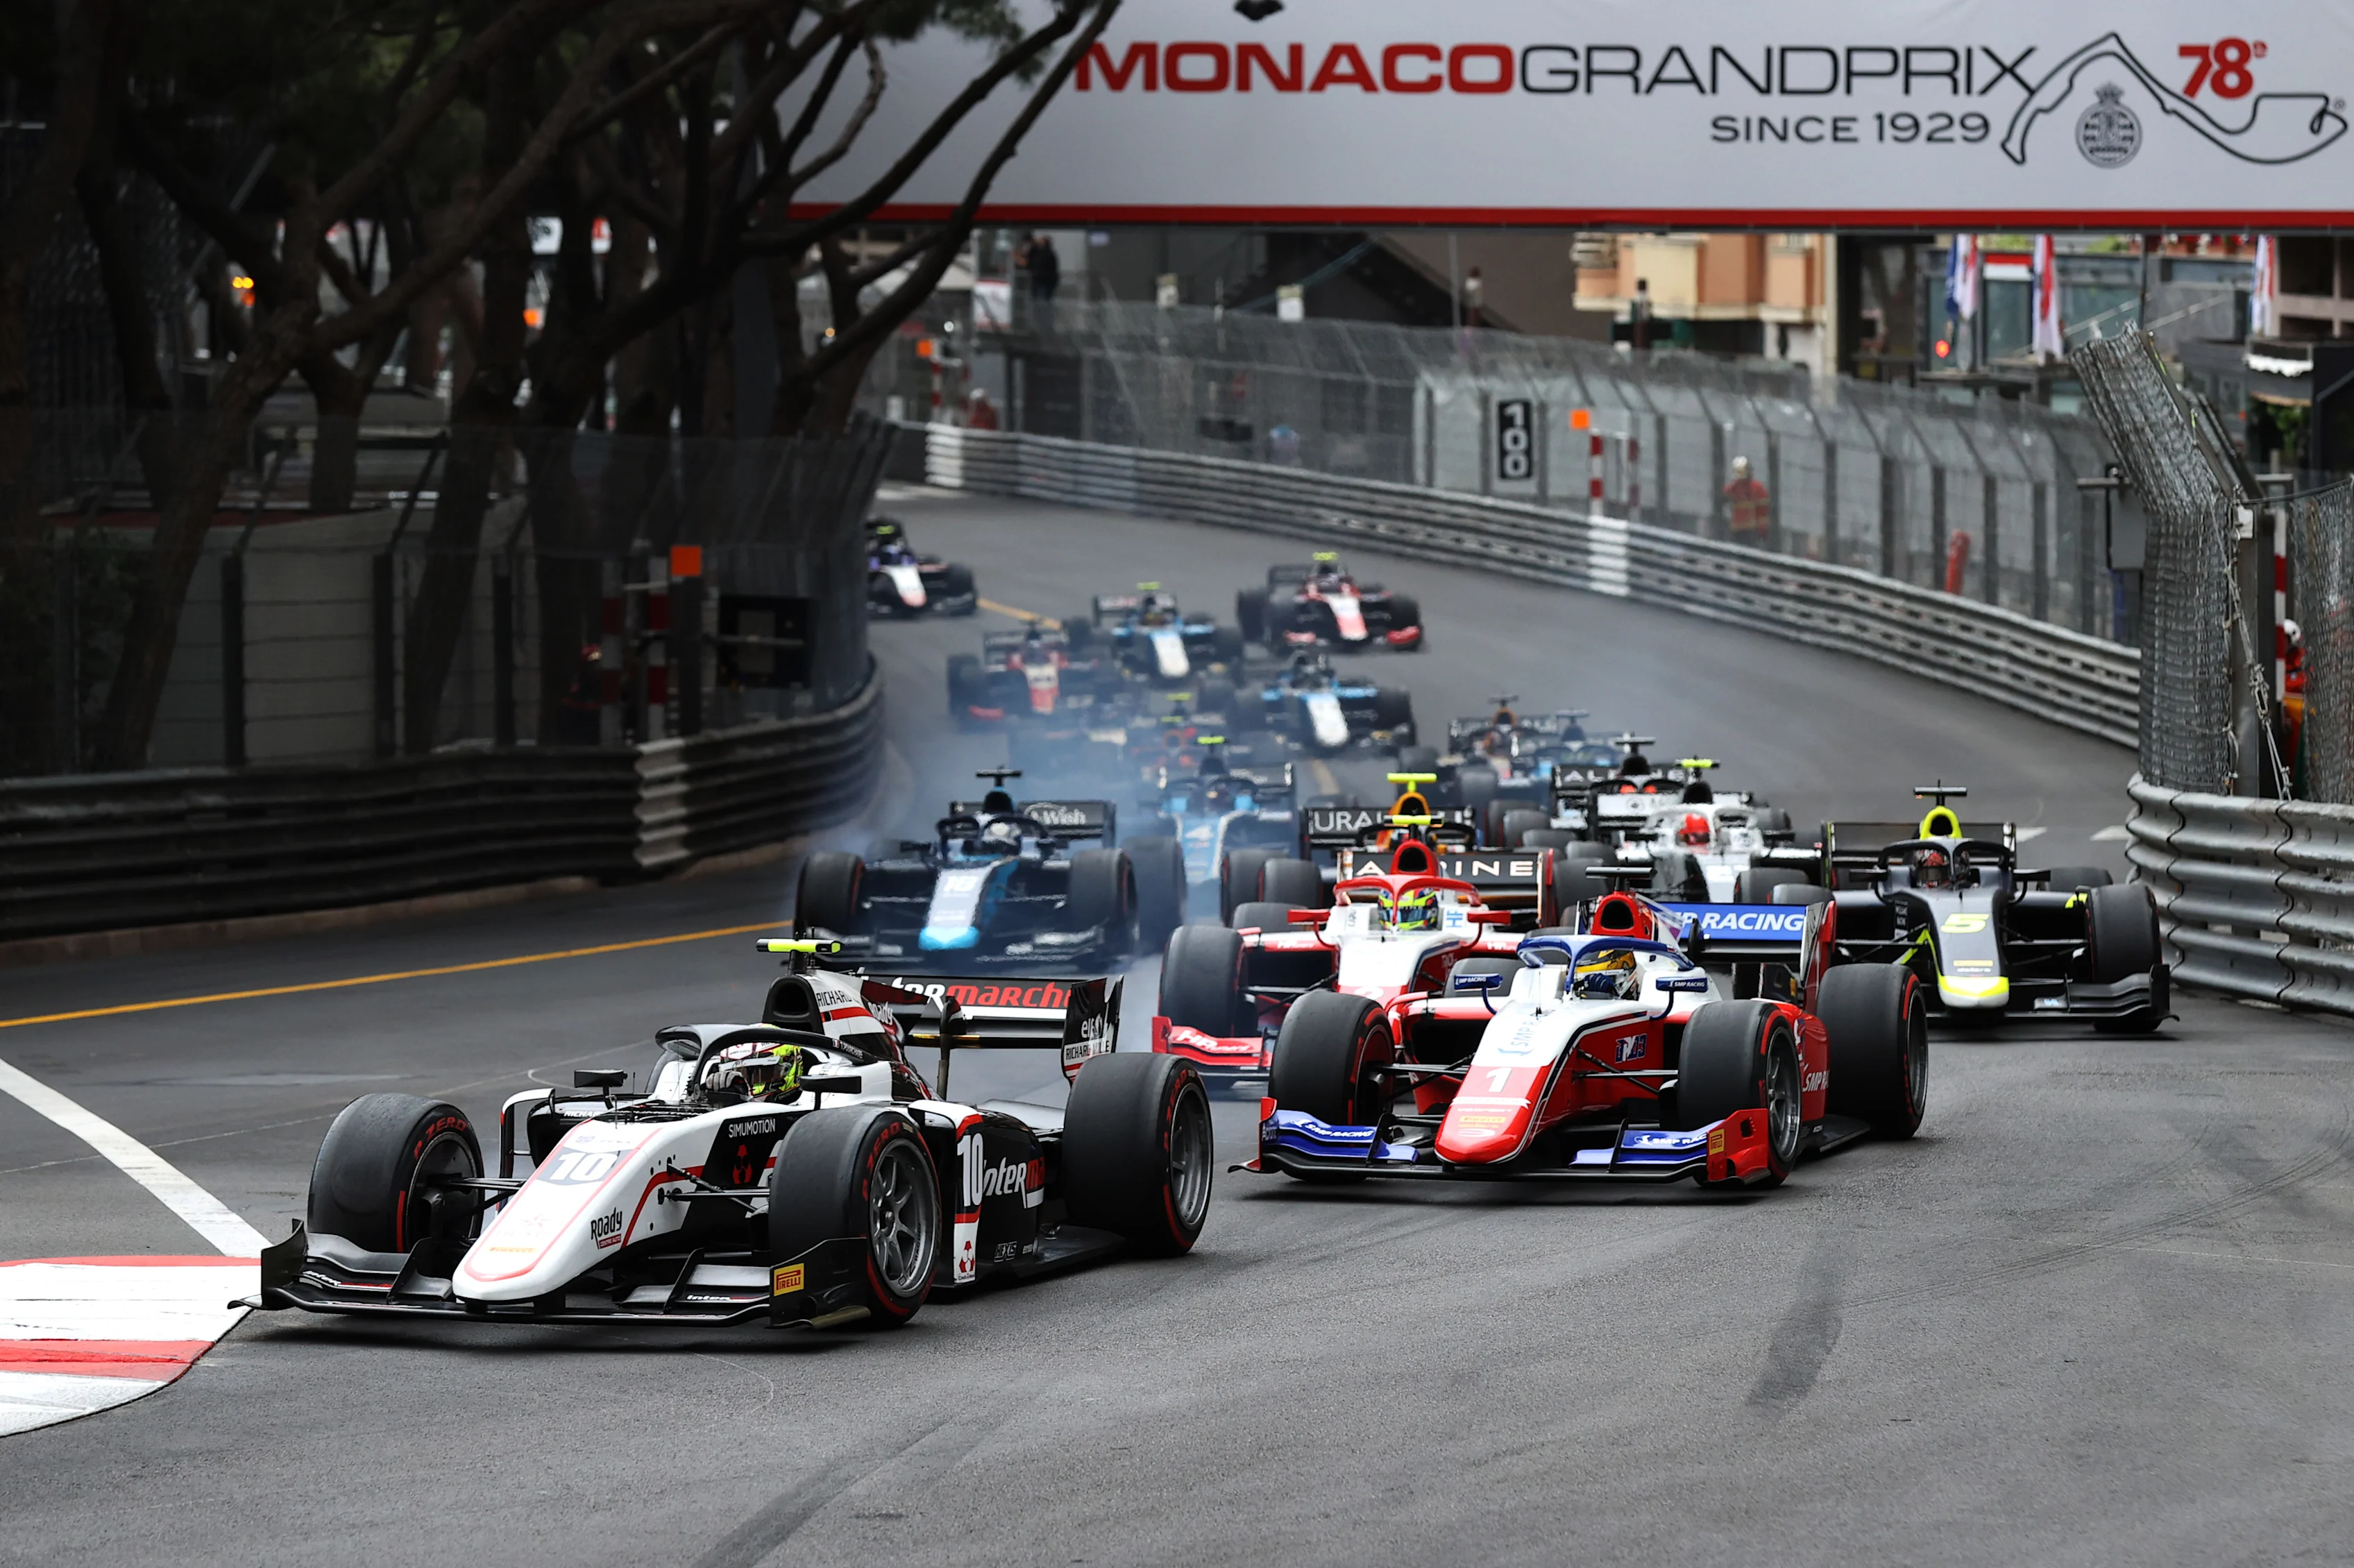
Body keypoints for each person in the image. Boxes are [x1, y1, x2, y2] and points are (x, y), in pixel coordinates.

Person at [1723, 455, 1770, 548]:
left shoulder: (1757, 488)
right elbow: (1725, 494)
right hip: (1736, 528)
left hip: (1751, 530)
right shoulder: (1734, 487)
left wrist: (1762, 530)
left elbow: (1763, 511)